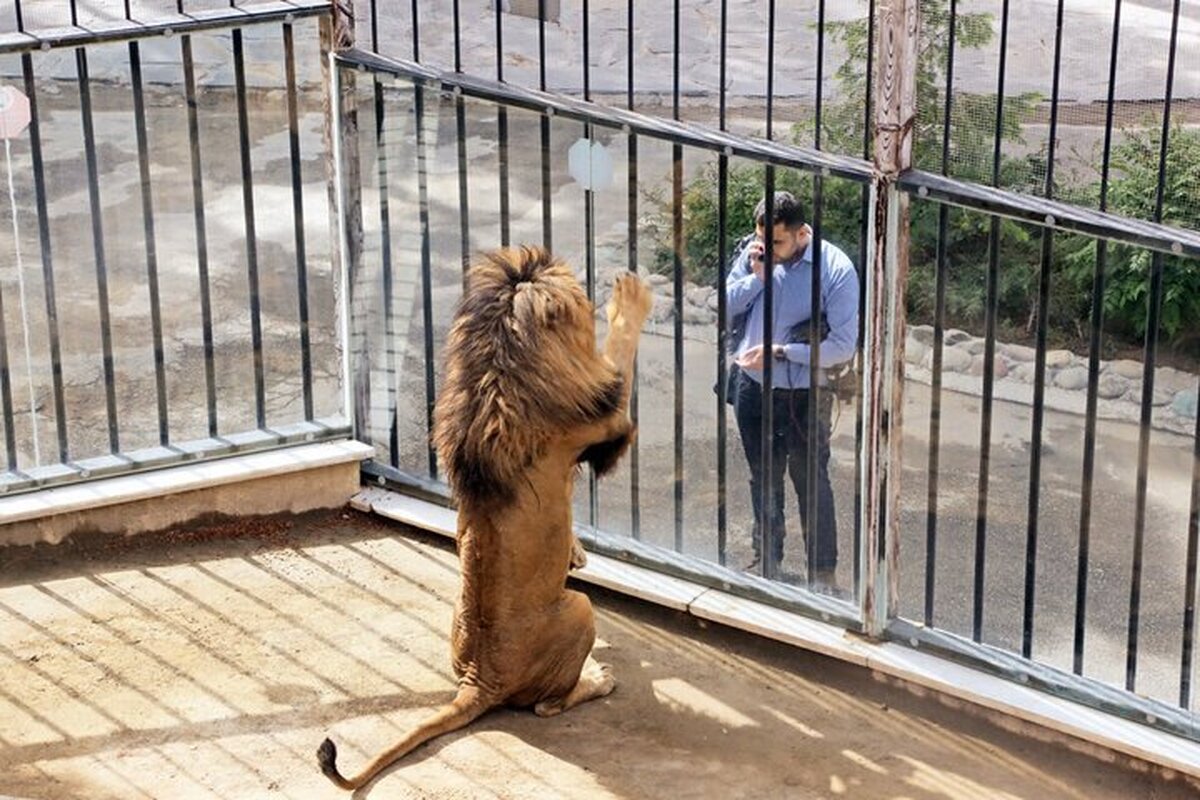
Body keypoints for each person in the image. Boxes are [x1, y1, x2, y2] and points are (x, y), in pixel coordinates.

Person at [725, 191, 860, 591]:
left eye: (778, 243)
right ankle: (767, 562)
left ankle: (823, 574)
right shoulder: (757, 254)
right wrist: (756, 277)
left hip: (804, 396)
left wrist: (782, 352)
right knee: (762, 477)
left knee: (810, 481)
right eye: (763, 241)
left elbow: (843, 346)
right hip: (753, 389)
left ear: (802, 233)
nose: (769, 250)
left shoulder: (836, 270)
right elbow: (726, 303)